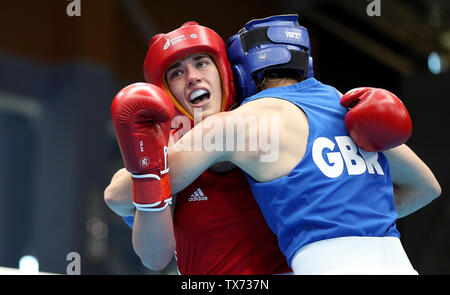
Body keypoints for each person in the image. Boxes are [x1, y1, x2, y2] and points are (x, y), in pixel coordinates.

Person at [150, 15, 441, 274]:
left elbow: (152, 181)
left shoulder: (240, 122)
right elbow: (427, 188)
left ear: (236, 73)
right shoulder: (347, 106)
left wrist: (144, 141)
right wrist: (356, 213)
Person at [106, 21, 292, 275]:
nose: (193, 77)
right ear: (166, 93)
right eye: (177, 73)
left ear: (224, 72)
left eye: (201, 63)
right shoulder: (164, 150)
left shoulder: (265, 120)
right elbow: (154, 257)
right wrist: (151, 168)